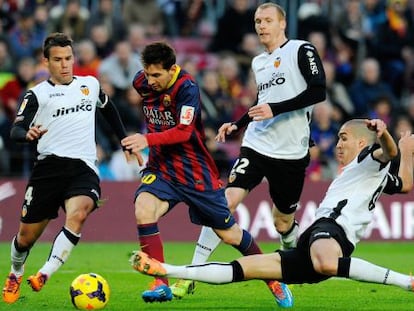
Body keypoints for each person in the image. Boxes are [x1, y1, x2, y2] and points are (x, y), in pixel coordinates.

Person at [131, 119, 414, 305]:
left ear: (363, 143)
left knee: (327, 262)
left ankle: (407, 282)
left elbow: (386, 154)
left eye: (343, 138)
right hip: (313, 241)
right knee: (244, 269)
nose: (338, 144)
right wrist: (407, 151)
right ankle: (166, 270)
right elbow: (404, 184)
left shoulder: (367, 161)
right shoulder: (367, 175)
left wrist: (388, 137)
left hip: (329, 231)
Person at [121, 41, 293, 307]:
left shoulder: (187, 88)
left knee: (230, 235)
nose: (150, 80)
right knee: (143, 209)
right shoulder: (140, 82)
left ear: (172, 69)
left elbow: (184, 132)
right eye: (147, 73)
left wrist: (146, 139)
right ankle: (159, 283)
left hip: (195, 171)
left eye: (157, 75)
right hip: (162, 168)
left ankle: (273, 278)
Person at [173, 2, 326, 299]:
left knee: (282, 222)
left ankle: (286, 266)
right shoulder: (259, 62)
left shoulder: (301, 49)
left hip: (290, 152)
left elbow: (318, 90)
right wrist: (239, 123)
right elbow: (263, 99)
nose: (261, 26)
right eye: (258, 21)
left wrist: (276, 110)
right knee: (225, 201)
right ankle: (192, 272)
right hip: (256, 144)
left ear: (282, 24)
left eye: (268, 20)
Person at [2, 32, 141, 304]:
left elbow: (108, 108)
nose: (65, 64)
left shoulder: (89, 84)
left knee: (79, 214)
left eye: (68, 58)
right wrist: (27, 133)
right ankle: (16, 272)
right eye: (58, 60)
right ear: (46, 62)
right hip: (49, 169)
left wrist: (123, 139)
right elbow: (16, 129)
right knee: (25, 239)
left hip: (83, 167)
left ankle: (44, 273)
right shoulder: (37, 94)